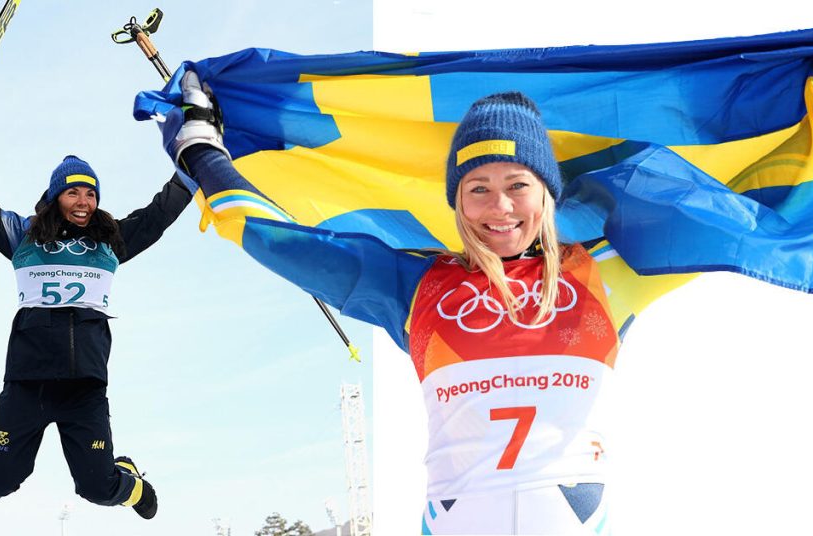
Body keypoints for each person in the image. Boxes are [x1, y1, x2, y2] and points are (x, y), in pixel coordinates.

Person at [161, 72, 622, 534]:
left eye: (518, 185)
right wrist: (201, 149)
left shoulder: (605, 271)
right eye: (477, 188)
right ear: (457, 202)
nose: (499, 206)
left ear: (547, 191)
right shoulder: (415, 285)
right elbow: (281, 241)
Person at [0, 113, 192, 520]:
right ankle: (5, 473)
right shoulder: (22, 235)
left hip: (83, 389)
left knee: (98, 487)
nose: (84, 203)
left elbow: (160, 213)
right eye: (74, 193)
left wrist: (195, 166)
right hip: (27, 384)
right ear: (56, 197)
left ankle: (131, 482)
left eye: (91, 194)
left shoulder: (111, 242)